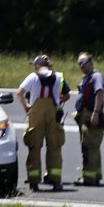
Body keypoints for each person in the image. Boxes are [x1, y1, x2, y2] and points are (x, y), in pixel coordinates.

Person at [15, 55, 69, 191]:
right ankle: (56, 181)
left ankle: (34, 182)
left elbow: (19, 93)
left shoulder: (33, 77)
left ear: (37, 66)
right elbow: (65, 94)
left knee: (34, 146)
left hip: (36, 115)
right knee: (54, 146)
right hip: (53, 114)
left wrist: (26, 106)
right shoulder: (58, 77)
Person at [73, 53, 104, 186]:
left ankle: (88, 178)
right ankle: (95, 175)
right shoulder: (87, 77)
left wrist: (95, 113)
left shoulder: (96, 76)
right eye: (79, 64)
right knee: (92, 146)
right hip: (85, 114)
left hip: (91, 114)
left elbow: (99, 93)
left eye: (83, 63)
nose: (81, 66)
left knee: (89, 146)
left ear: (91, 63)